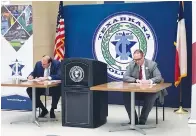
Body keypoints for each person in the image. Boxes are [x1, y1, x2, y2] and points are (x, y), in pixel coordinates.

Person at [123, 49, 163, 125]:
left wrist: (149, 81)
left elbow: (159, 77)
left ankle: (142, 120)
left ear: (143, 56)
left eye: (138, 59)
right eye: (135, 60)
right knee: (126, 94)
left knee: (151, 95)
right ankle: (133, 120)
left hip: (149, 91)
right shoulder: (132, 64)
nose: (137, 61)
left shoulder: (152, 64)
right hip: (137, 90)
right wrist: (135, 80)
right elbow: (125, 77)